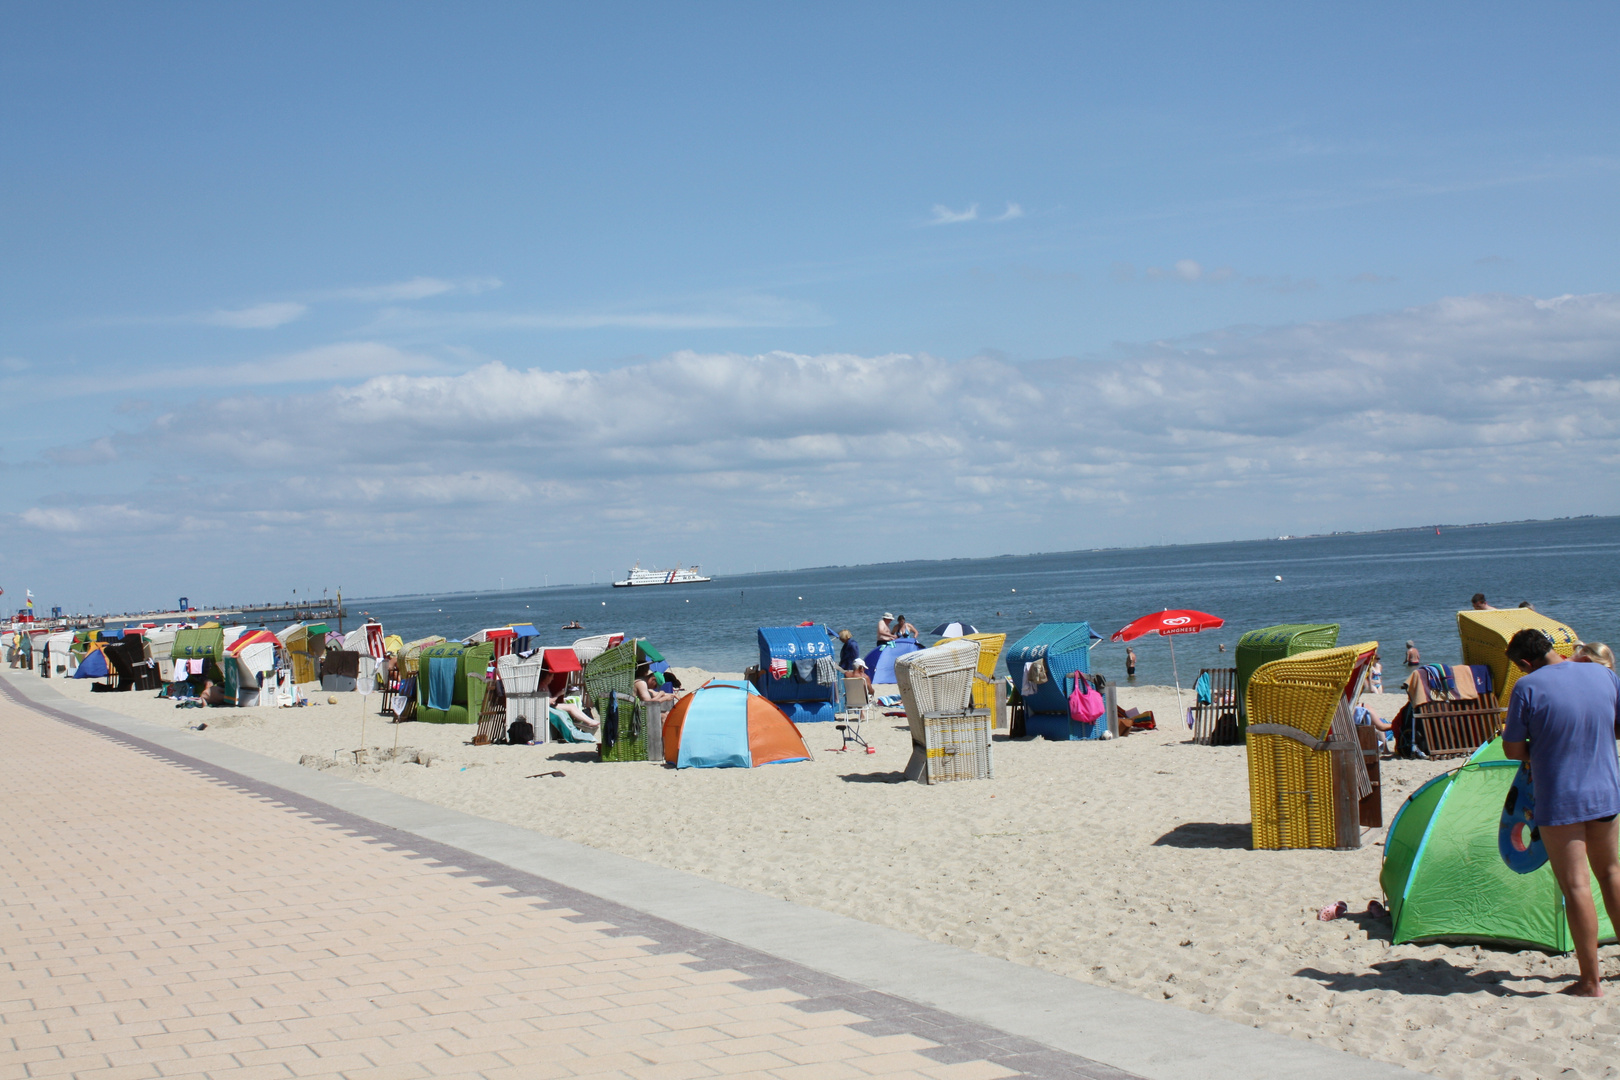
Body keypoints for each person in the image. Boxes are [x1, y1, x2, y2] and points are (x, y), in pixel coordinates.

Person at [1501, 628, 1620, 997]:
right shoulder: (1604, 673)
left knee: (1576, 885)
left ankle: (1590, 982)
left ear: (1524, 663)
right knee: (1612, 873)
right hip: (1605, 791)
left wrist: (1542, 745)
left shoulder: (1527, 687)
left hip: (1560, 797)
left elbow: (1512, 749)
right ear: (1553, 648)